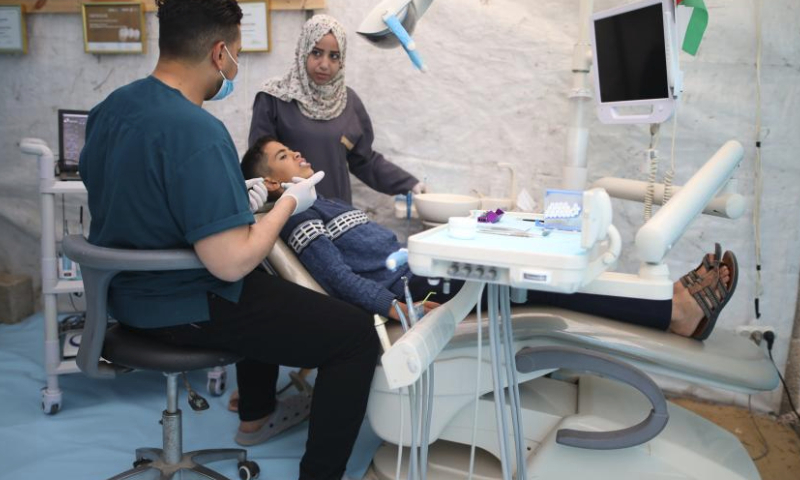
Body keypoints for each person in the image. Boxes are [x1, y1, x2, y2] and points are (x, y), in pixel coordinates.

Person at [78, 2, 380, 479]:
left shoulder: (108, 110)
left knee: (268, 292)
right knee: (356, 335)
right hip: (180, 306)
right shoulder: (198, 132)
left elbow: (142, 197)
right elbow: (231, 262)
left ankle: (255, 414)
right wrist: (289, 202)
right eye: (237, 53)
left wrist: (236, 195)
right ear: (220, 53)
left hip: (120, 297)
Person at [241, 136, 740, 340]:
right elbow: (336, 279)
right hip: (416, 291)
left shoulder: (325, 203)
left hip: (419, 274)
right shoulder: (297, 217)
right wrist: (398, 309)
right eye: (284, 156)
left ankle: (662, 299)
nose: (298, 155)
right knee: (540, 280)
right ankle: (672, 312)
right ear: (272, 182)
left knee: (539, 251)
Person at [248, 14, 424, 203]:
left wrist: (409, 185)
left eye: (334, 56)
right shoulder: (274, 98)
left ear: (342, 60)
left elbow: (364, 161)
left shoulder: (347, 102)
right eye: (316, 52)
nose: (324, 65)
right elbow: (260, 167)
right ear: (303, 50)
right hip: (292, 213)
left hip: (338, 213)